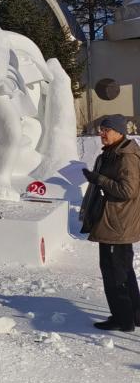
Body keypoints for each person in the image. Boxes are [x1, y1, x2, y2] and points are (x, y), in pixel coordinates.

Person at [80, 114, 140, 333]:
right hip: (116, 220)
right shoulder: (116, 152)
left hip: (116, 222)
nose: (101, 133)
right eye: (101, 129)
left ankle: (122, 319)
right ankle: (134, 315)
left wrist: (99, 179)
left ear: (119, 132)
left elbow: (128, 191)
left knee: (114, 272)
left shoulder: (126, 157)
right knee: (123, 270)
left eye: (106, 129)